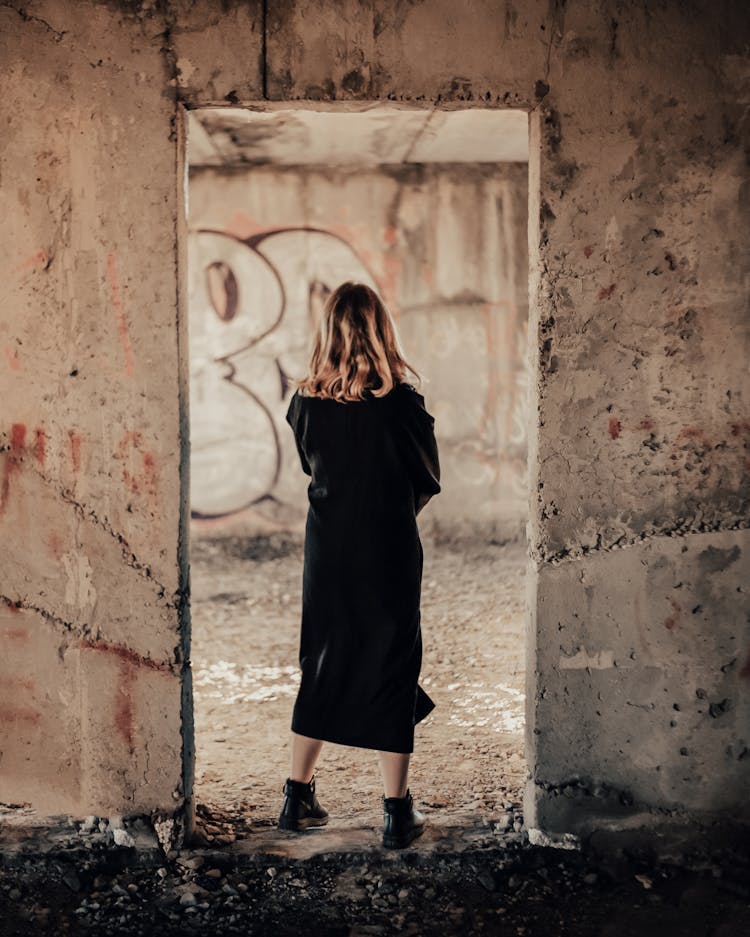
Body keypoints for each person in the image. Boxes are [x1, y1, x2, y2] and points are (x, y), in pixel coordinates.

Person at [277, 281, 441, 849]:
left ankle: (296, 799)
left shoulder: (303, 403)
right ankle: (397, 813)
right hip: (389, 549)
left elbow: (311, 469)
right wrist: (389, 513)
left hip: (327, 551)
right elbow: (428, 478)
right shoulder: (404, 405)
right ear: (381, 330)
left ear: (327, 332)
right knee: (393, 663)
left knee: (321, 659)